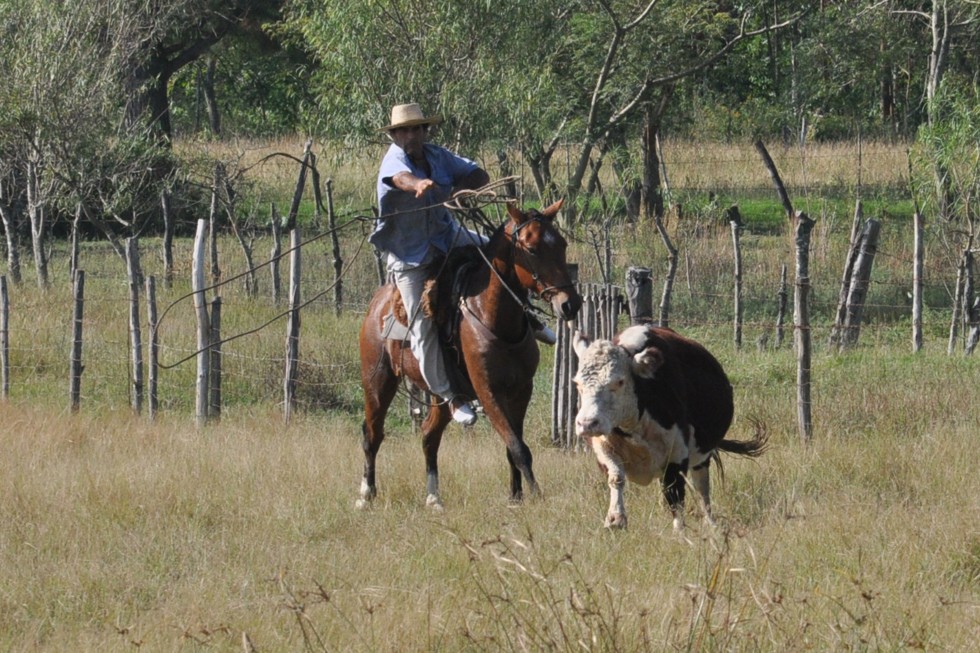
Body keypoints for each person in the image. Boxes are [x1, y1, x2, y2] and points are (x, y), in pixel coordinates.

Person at [370, 103, 490, 426]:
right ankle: (451, 398)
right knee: (421, 325)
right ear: (395, 135)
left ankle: (529, 320)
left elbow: (477, 172)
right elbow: (400, 178)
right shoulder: (394, 160)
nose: (410, 135)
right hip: (410, 257)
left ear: (425, 131)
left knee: (497, 251)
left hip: (446, 236)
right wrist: (418, 185)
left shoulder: (438, 155)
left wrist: (467, 188)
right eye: (403, 130)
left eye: (416, 129)